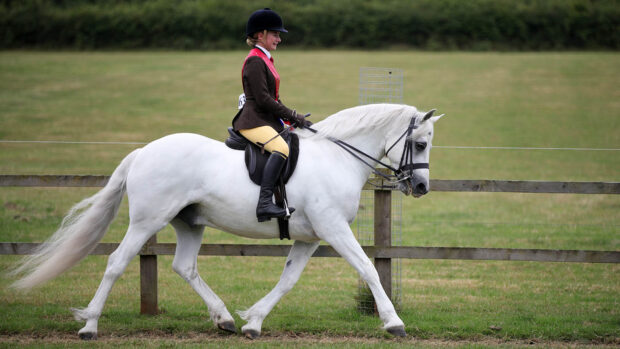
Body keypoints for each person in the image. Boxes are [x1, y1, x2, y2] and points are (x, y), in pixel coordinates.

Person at [233, 8, 309, 222]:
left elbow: (274, 98)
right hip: (252, 120)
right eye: (275, 34)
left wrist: (294, 119)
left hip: (263, 118)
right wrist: (293, 114)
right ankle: (265, 203)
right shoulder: (255, 61)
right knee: (281, 148)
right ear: (260, 34)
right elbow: (264, 100)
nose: (279, 39)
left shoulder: (264, 59)